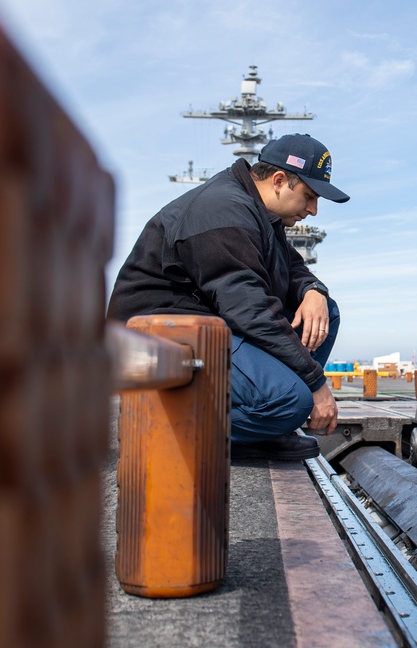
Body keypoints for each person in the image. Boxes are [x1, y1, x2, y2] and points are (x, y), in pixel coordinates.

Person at [108, 134, 349, 461]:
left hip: (206, 327)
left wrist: (313, 291)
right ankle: (160, 427)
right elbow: (250, 311)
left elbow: (292, 266)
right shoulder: (224, 209)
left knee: (325, 313)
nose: (313, 210)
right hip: (159, 338)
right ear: (279, 180)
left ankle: (265, 427)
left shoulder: (260, 213)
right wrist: (316, 383)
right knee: (293, 401)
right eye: (309, 196)